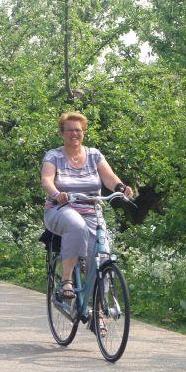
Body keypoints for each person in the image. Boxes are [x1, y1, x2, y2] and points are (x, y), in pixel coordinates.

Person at [40, 112, 133, 334]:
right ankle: (66, 281)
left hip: (92, 211)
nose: (74, 134)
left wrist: (121, 188)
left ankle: (96, 311)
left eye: (78, 130)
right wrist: (57, 193)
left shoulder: (94, 155)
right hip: (61, 210)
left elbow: (109, 178)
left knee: (103, 258)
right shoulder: (53, 156)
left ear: (83, 133)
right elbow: (46, 179)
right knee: (77, 226)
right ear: (62, 133)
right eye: (70, 130)